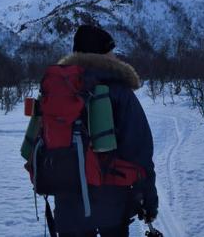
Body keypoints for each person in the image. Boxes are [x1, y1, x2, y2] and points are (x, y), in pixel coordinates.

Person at [53, 25, 159, 237]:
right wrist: (148, 198)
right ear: (101, 54)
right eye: (110, 50)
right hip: (111, 203)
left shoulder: (59, 89)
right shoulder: (119, 91)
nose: (114, 55)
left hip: (67, 202)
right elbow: (139, 151)